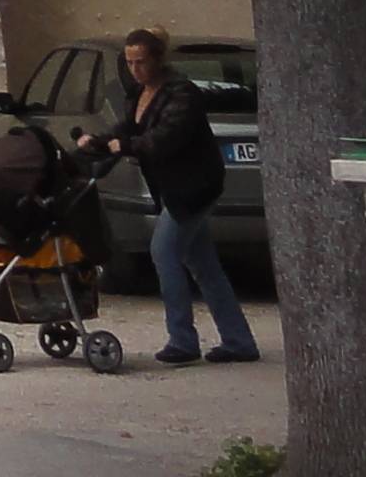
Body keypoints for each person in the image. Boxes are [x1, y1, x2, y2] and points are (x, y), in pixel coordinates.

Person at [86, 25, 260, 366]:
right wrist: (98, 140)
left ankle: (182, 340)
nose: (135, 69)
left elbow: (164, 138)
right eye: (130, 62)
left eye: (141, 62)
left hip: (194, 187)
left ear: (157, 60)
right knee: (204, 265)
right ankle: (239, 341)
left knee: (163, 251)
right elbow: (128, 127)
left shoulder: (181, 93)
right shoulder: (139, 94)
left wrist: (126, 146)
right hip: (171, 187)